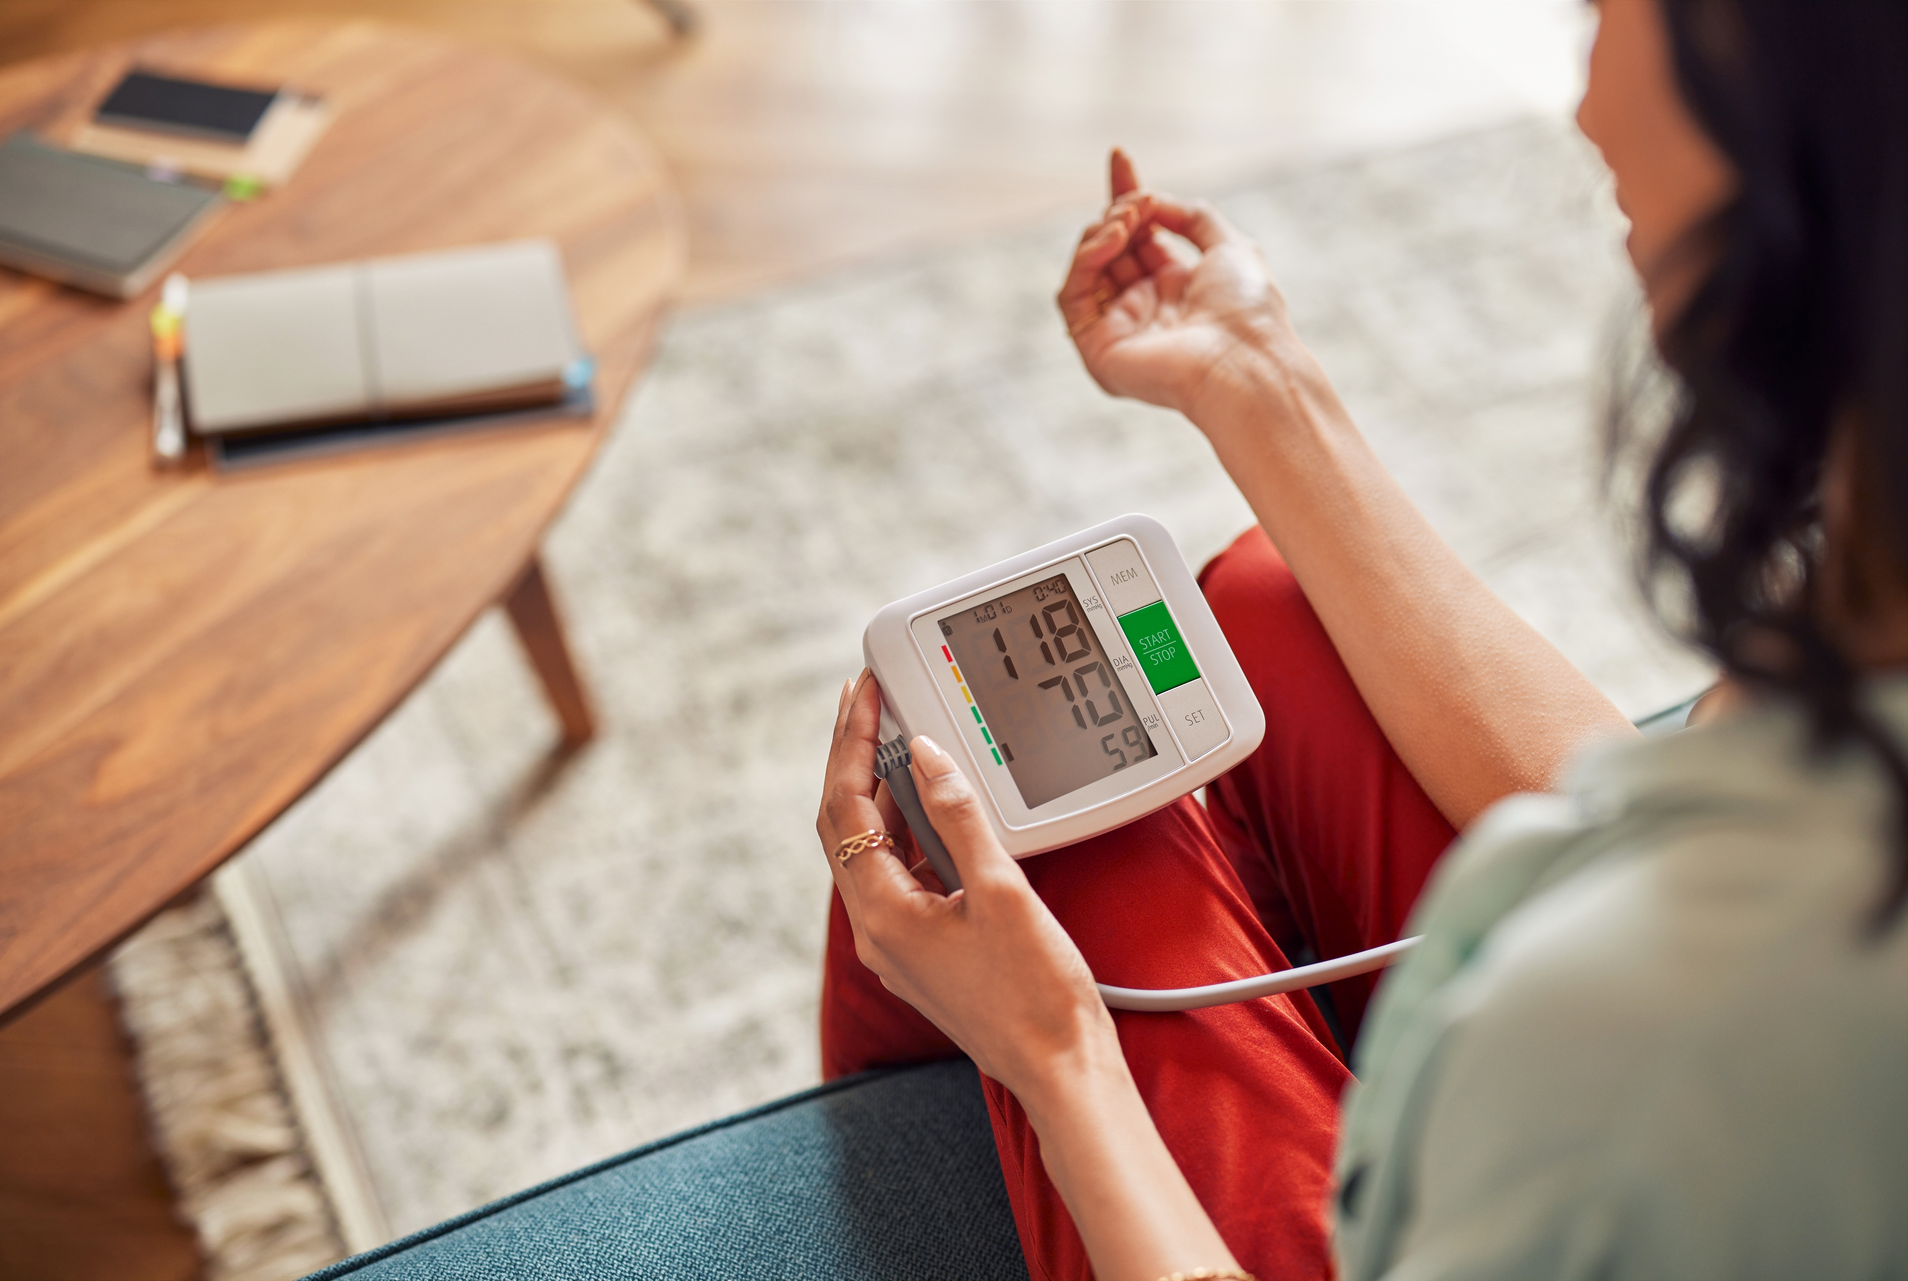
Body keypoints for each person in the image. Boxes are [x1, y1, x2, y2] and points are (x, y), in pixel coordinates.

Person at [815, 0, 1908, 1276]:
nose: (1585, 89)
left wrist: (1060, 1059)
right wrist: (1253, 373)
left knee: (1054, 851)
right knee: (1266, 603)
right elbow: (1642, 821)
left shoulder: (1658, 1049)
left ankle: (894, 1174)